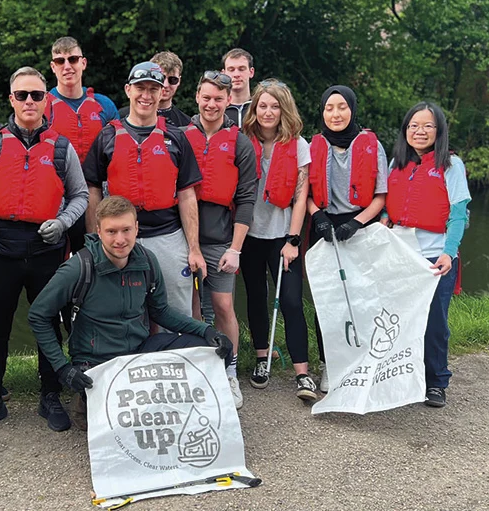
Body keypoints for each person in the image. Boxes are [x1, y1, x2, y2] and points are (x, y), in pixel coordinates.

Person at [27, 196, 234, 429]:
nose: (120, 240)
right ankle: (87, 402)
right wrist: (63, 368)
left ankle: (179, 407)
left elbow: (162, 311)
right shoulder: (78, 267)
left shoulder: (147, 260)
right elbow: (38, 315)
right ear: (99, 231)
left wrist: (206, 330)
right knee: (116, 427)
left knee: (213, 351)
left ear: (136, 228)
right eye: (111, 231)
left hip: (139, 353)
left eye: (126, 230)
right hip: (98, 362)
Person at [0, 67, 89, 435]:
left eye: (36, 95)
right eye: (22, 95)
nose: (29, 101)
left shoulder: (63, 147)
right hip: (1, 249)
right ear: (11, 99)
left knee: (48, 323)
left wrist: (64, 222)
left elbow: (80, 196)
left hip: (46, 248)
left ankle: (49, 395)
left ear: (46, 98)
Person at [84, 62, 205, 319]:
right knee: (123, 310)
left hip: (167, 234)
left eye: (153, 89)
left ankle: (177, 357)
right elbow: (93, 190)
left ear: (162, 93)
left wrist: (194, 248)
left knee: (176, 309)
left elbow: (186, 194)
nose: (146, 96)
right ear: (128, 90)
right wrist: (94, 239)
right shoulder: (107, 136)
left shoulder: (177, 138)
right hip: (120, 237)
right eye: (140, 88)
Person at [382, 102, 470, 408]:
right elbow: (387, 204)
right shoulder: (397, 162)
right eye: (413, 126)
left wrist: (449, 253)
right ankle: (405, 377)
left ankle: (436, 381)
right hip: (402, 255)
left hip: (435, 259)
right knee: (401, 320)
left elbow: (459, 214)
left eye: (427, 126)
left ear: (439, 130)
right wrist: (385, 215)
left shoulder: (451, 165)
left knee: (434, 322)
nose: (419, 132)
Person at [239, 79, 317, 401]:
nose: (268, 112)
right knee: (256, 298)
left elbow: (301, 196)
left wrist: (294, 239)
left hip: (283, 237)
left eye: (274, 106)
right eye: (262, 106)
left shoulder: (299, 145)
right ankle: (262, 358)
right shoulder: (244, 141)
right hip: (249, 236)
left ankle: (302, 373)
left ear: (284, 109)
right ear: (254, 109)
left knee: (290, 302)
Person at [183, 71, 257, 409]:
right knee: (193, 310)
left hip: (222, 239)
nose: (212, 104)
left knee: (224, 306)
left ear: (229, 100)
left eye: (219, 98)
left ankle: (229, 371)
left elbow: (246, 198)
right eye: (206, 97)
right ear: (197, 97)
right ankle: (200, 370)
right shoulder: (180, 136)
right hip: (184, 237)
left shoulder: (240, 142)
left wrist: (236, 248)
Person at [308, 85, 388, 392]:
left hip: (359, 226)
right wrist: (317, 216)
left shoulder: (370, 143)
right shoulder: (313, 145)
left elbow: (380, 196)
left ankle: (363, 361)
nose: (336, 113)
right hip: (324, 227)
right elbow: (306, 195)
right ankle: (329, 364)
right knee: (326, 300)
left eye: (341, 107)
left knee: (362, 297)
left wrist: (356, 223)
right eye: (329, 108)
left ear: (352, 109)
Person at [46, 36, 120, 254]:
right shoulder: (42, 105)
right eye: (60, 61)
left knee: (96, 254)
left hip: (96, 193)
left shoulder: (104, 105)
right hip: (56, 194)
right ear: (53, 66)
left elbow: (119, 152)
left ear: (83, 63)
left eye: (73, 59)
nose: (67, 66)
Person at [119, 51, 192, 127]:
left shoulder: (186, 124)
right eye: (161, 78)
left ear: (179, 81)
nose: (165, 85)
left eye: (172, 80)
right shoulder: (120, 118)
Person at [222, 48, 255, 127]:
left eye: (241, 69)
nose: (236, 74)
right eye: (231, 70)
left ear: (251, 72)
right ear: (223, 73)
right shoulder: (218, 109)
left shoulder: (259, 108)